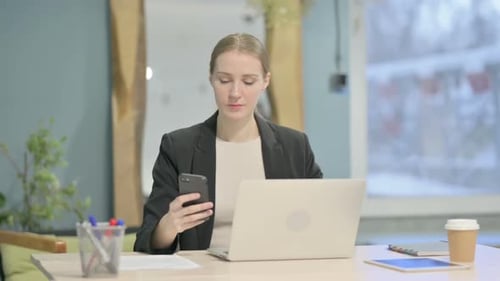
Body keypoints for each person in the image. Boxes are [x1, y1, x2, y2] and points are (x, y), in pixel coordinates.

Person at [134, 33, 323, 254]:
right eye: (224, 80)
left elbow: (320, 220)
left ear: (265, 81)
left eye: (248, 81)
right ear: (211, 79)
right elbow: (145, 240)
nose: (235, 93)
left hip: (277, 270)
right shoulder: (178, 147)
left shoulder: (295, 146)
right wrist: (168, 227)